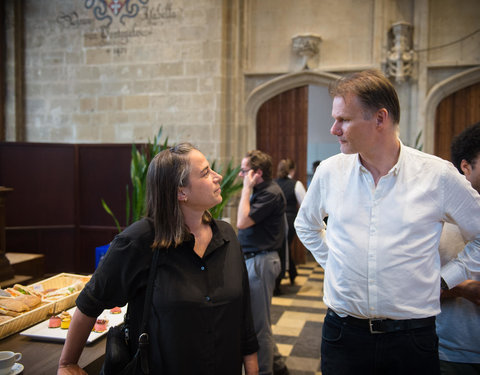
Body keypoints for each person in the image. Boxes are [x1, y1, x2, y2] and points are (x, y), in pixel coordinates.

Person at [294, 69, 480, 374]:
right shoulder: (330, 172)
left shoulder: (437, 176)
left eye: (344, 119)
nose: (333, 129)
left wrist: (448, 277)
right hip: (343, 334)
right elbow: (306, 225)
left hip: (411, 338)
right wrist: (334, 262)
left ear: (379, 119)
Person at [57, 143, 259, 375]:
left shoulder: (227, 236)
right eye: (205, 172)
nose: (218, 176)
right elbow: (90, 301)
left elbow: (243, 313)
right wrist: (67, 363)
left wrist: (252, 368)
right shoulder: (139, 241)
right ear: (180, 192)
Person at [237, 150, 289, 375]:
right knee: (257, 322)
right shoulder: (261, 190)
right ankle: (277, 365)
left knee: (260, 327)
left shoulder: (270, 193)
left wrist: (246, 188)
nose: (240, 175)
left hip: (261, 261)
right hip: (254, 260)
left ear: (257, 173)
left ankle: (266, 370)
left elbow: (241, 221)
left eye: (244, 170)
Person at [437, 122, 480, 375]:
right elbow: (407, 286)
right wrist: (461, 289)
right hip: (451, 353)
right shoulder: (440, 219)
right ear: (466, 166)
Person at [274, 159, 306, 288]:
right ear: (292, 170)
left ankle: (287, 275)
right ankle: (283, 278)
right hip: (289, 219)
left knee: (281, 247)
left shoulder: (273, 183)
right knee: (284, 247)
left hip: (274, 221)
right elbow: (305, 204)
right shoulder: (296, 184)